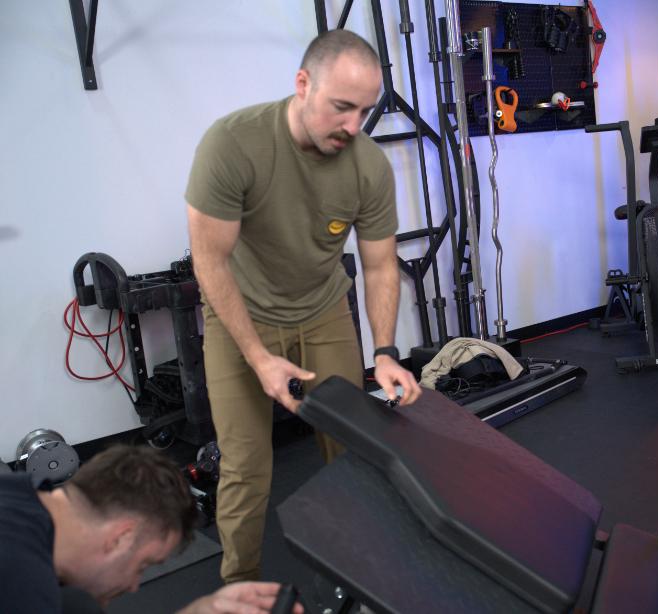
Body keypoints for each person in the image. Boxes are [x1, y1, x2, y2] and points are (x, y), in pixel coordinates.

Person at [185, 28, 422, 583]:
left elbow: (381, 265)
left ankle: (366, 576)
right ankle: (239, 585)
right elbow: (210, 263)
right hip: (239, 315)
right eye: (341, 107)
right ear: (303, 85)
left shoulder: (367, 166)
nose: (352, 126)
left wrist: (384, 353)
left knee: (352, 447)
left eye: (364, 111)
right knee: (247, 468)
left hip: (322, 311)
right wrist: (258, 357)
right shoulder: (232, 143)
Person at [0, 444, 301, 614]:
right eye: (143, 565)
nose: (133, 585)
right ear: (120, 538)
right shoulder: (22, 580)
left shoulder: (19, 494)